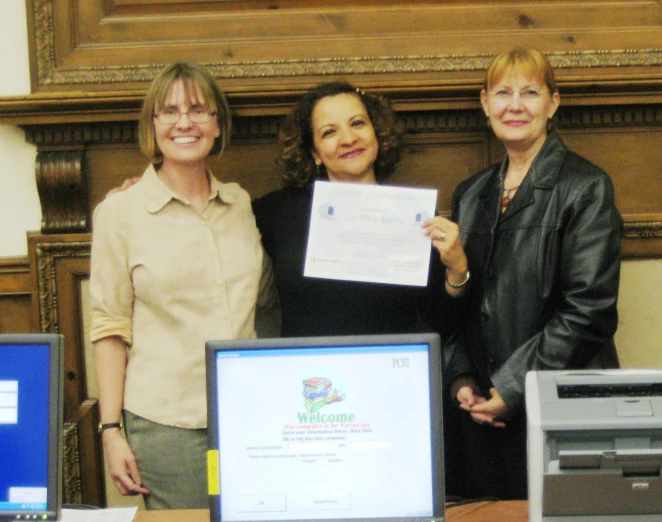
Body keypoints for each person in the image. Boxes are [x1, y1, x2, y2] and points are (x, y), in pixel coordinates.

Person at [425, 48, 623, 500]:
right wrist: (462, 382)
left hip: (559, 408)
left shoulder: (586, 187)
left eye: (530, 92)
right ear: (484, 102)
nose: (515, 105)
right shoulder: (471, 193)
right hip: (479, 417)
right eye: (503, 93)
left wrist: (511, 389)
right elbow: (459, 304)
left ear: (553, 103)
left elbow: (588, 311)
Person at [90, 62, 276, 509]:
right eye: (168, 111)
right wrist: (110, 430)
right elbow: (109, 327)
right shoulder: (120, 213)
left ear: (217, 123)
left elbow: (264, 304)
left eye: (198, 109)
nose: (184, 122)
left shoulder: (239, 204)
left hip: (250, 414)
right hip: (167, 424)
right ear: (151, 125)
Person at [252, 81, 458, 337]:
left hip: (392, 368)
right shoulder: (278, 213)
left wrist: (458, 268)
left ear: (376, 132)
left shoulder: (413, 213)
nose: (348, 139)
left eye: (358, 123)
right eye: (329, 132)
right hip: (308, 371)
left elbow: (442, 319)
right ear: (314, 152)